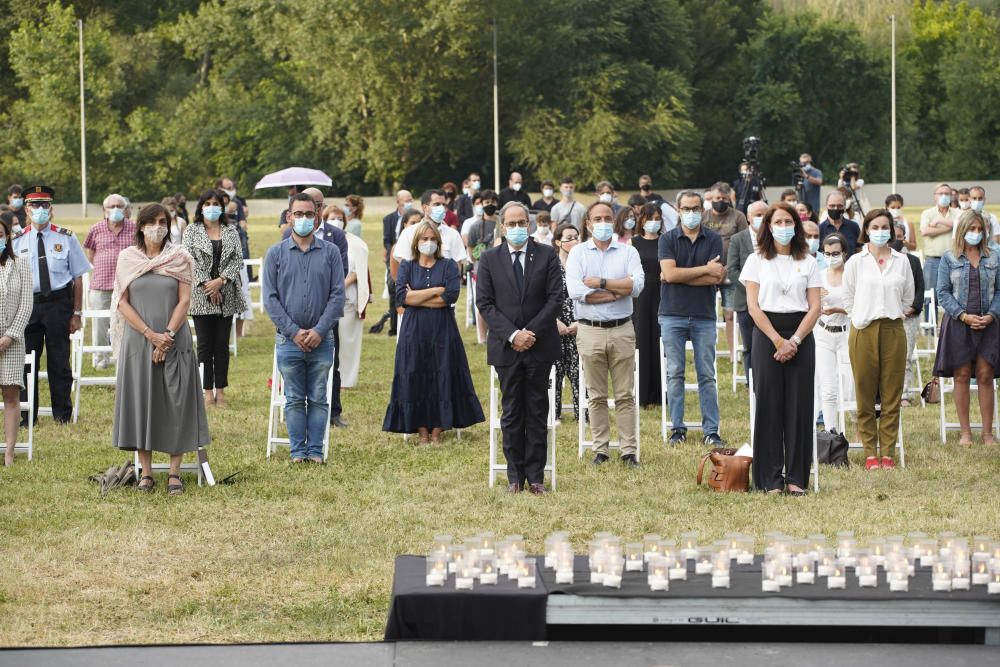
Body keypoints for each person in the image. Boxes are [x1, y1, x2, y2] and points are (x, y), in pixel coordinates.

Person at [110, 203, 209, 495]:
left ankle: (175, 472)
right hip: (138, 341)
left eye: (162, 221)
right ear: (140, 226)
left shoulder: (180, 258)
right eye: (151, 222)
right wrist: (150, 335)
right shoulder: (127, 258)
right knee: (143, 402)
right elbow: (122, 301)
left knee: (176, 401)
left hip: (174, 339)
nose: (158, 226)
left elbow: (184, 300)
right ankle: (146, 472)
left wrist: (166, 335)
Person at [476, 202, 562, 493]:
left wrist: (531, 333)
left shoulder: (547, 255)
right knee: (511, 411)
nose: (516, 228)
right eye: (511, 224)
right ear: (502, 227)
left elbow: (554, 299)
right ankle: (515, 475)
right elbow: (485, 303)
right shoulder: (489, 259)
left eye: (521, 223)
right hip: (506, 348)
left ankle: (536, 476)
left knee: (538, 409)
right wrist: (513, 335)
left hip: (540, 346)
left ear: (530, 224)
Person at [740, 202, 822, 495]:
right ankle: (769, 478)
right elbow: (753, 306)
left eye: (789, 221)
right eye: (779, 222)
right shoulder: (756, 260)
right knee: (769, 404)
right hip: (766, 333)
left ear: (796, 226)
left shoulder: (809, 261)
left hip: (801, 332)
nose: (784, 227)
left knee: (800, 406)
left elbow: (815, 307)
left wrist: (795, 341)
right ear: (769, 227)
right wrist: (777, 341)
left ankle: (797, 477)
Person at [383, 221, 484, 442]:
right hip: (414, 329)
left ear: (438, 242)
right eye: (424, 239)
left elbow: (450, 297)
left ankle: (438, 428)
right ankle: (421, 430)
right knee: (415, 373)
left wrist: (417, 297)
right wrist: (436, 290)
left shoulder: (448, 265)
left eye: (432, 239)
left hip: (442, 328)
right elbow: (402, 297)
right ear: (416, 242)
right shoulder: (407, 266)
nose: (428, 243)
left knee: (443, 372)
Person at [263, 193, 345, 463]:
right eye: (298, 214)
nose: (303, 219)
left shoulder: (331, 252)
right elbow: (270, 299)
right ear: (289, 217)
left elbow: (337, 296)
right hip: (289, 340)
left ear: (317, 216)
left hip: (323, 339)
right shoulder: (275, 254)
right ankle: (298, 451)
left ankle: (316, 451)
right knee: (295, 397)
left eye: (309, 214)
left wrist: (320, 331)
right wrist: (294, 331)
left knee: (320, 397)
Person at [566, 201, 644, 466]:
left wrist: (600, 284)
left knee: (625, 395)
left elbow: (636, 286)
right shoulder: (578, 253)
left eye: (607, 218)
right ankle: (600, 449)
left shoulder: (627, 252)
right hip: (590, 330)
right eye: (597, 218)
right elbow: (576, 291)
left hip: (622, 328)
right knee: (595, 395)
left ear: (614, 221)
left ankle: (628, 451)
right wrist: (614, 292)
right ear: (588, 224)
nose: (603, 223)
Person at [843, 209, 915, 470]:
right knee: (864, 391)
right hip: (864, 329)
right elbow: (847, 298)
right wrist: (860, 317)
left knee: (891, 394)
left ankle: (888, 452)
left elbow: (908, 297)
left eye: (886, 226)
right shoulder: (855, 262)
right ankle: (870, 452)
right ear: (866, 230)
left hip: (894, 330)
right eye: (876, 226)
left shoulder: (901, 261)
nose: (881, 231)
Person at [14, 186, 91, 425]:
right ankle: (28, 416)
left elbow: (78, 278)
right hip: (28, 305)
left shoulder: (66, 237)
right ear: (26, 209)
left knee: (59, 360)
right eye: (35, 205)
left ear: (51, 209)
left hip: (59, 304)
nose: (40, 210)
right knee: (27, 362)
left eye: (44, 205)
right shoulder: (16, 241)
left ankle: (62, 415)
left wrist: (76, 313)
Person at [659, 191, 726, 446]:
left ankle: (712, 430)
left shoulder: (714, 239)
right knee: (675, 372)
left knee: (707, 374)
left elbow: (716, 277)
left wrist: (679, 274)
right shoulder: (667, 239)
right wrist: (704, 270)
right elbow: (670, 275)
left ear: (702, 210)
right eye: (686, 208)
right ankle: (678, 428)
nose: (691, 212)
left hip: (704, 315)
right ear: (678, 209)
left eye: (695, 208)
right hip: (672, 314)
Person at [283, 187, 350, 429]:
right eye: (302, 211)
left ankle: (333, 411)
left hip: (327, 316)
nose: (314, 211)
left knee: (332, 363)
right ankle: (296, 412)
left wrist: (322, 325)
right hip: (295, 320)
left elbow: (339, 277)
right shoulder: (286, 238)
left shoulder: (335, 237)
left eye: (318, 206)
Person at [933, 210, 1000, 446]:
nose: (976, 233)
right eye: (972, 229)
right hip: (959, 322)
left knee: (985, 375)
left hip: (988, 323)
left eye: (980, 229)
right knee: (961, 375)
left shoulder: (995, 256)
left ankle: (988, 433)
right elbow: (942, 292)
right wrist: (963, 316)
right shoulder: (949, 257)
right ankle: (965, 433)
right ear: (962, 230)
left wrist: (991, 315)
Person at [182, 190, 246, 409]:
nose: (211, 207)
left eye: (216, 203)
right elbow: (189, 259)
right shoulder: (192, 230)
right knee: (204, 345)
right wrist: (208, 286)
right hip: (201, 295)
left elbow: (238, 258)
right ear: (201, 207)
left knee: (221, 345)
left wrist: (221, 281)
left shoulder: (231, 230)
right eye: (207, 203)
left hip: (227, 293)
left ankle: (221, 392)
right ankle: (206, 392)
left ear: (222, 207)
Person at [83, 194, 136, 370]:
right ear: (105, 210)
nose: (115, 209)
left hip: (128, 285)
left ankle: (125, 357)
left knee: (128, 322)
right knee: (100, 324)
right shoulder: (96, 229)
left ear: (126, 209)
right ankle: (101, 358)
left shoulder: (135, 228)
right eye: (111, 206)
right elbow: (90, 252)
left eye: (119, 206)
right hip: (101, 284)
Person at [0, 215, 33, 465]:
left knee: (11, 397)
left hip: (13, 341)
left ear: (7, 237)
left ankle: (10, 452)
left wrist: (9, 336)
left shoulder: (21, 263)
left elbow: (26, 304)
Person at [704, 182, 748, 362]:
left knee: (730, 314)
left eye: (723, 198)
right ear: (711, 199)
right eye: (716, 198)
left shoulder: (738, 216)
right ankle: (707, 352)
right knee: (705, 314)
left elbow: (744, 244)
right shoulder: (703, 217)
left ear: (729, 198)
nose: (720, 201)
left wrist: (728, 269)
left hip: (731, 272)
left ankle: (732, 353)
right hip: (706, 272)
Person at [814, 233, 851, 434]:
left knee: (849, 386)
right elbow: (809, 305)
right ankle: (831, 434)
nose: (831, 257)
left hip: (846, 333)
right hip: (823, 334)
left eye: (835, 253)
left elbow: (859, 308)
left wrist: (837, 309)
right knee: (828, 388)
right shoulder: (819, 276)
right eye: (827, 253)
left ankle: (859, 430)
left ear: (844, 253)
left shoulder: (851, 276)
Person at [726, 200, 767, 378]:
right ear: (749, 217)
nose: (761, 218)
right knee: (749, 345)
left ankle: (766, 378)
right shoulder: (737, 239)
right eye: (758, 215)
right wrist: (752, 288)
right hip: (745, 301)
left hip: (770, 301)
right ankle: (751, 381)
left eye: (764, 214)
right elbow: (732, 270)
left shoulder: (774, 239)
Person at [632, 203, 663, 408]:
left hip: (662, 293)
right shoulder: (633, 243)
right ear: (642, 220)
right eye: (650, 218)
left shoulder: (666, 242)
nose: (654, 222)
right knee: (642, 342)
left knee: (660, 341)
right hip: (641, 297)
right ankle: (643, 395)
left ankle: (660, 394)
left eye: (657, 218)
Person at [890, 221, 924, 408]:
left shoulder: (913, 261)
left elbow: (920, 290)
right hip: (887, 316)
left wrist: (910, 309)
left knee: (905, 358)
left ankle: (904, 394)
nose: (896, 240)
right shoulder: (879, 261)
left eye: (900, 236)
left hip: (909, 317)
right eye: (893, 236)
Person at [552, 223, 581, 421]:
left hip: (580, 324)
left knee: (579, 370)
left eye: (576, 237)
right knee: (555, 371)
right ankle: (554, 414)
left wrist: (582, 321)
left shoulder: (583, 264)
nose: (573, 241)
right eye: (568, 237)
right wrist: (555, 322)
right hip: (554, 325)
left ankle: (583, 413)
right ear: (558, 241)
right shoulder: (550, 266)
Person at [394, 189, 469, 265]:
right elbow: (403, 266)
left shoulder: (453, 234)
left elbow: (458, 266)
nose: (442, 208)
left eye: (444, 205)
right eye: (437, 204)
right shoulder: (409, 233)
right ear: (425, 207)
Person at [340, 225, 370, 388]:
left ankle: (346, 380)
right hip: (325, 299)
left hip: (348, 297)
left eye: (339, 218)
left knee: (348, 340)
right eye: (332, 218)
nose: (336, 221)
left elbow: (360, 269)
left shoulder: (355, 243)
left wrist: (342, 285)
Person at [920, 183, 960, 304]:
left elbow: (961, 225)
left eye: (947, 193)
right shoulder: (927, 213)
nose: (944, 196)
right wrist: (948, 228)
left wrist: (938, 221)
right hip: (933, 260)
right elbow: (925, 231)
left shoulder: (957, 212)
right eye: (941, 193)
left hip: (954, 259)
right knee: (930, 296)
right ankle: (930, 322)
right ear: (935, 197)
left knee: (956, 295)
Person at [381, 190, 414, 337]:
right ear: (398, 202)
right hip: (394, 256)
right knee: (393, 288)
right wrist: (392, 252)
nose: (408, 202)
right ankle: (394, 326)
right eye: (405, 200)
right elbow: (386, 239)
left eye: (410, 199)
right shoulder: (388, 219)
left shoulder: (415, 216)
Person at [818, 190, 861, 256]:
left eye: (839, 206)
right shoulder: (819, 229)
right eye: (832, 206)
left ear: (844, 207)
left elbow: (859, 251)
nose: (836, 208)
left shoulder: (854, 227)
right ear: (826, 206)